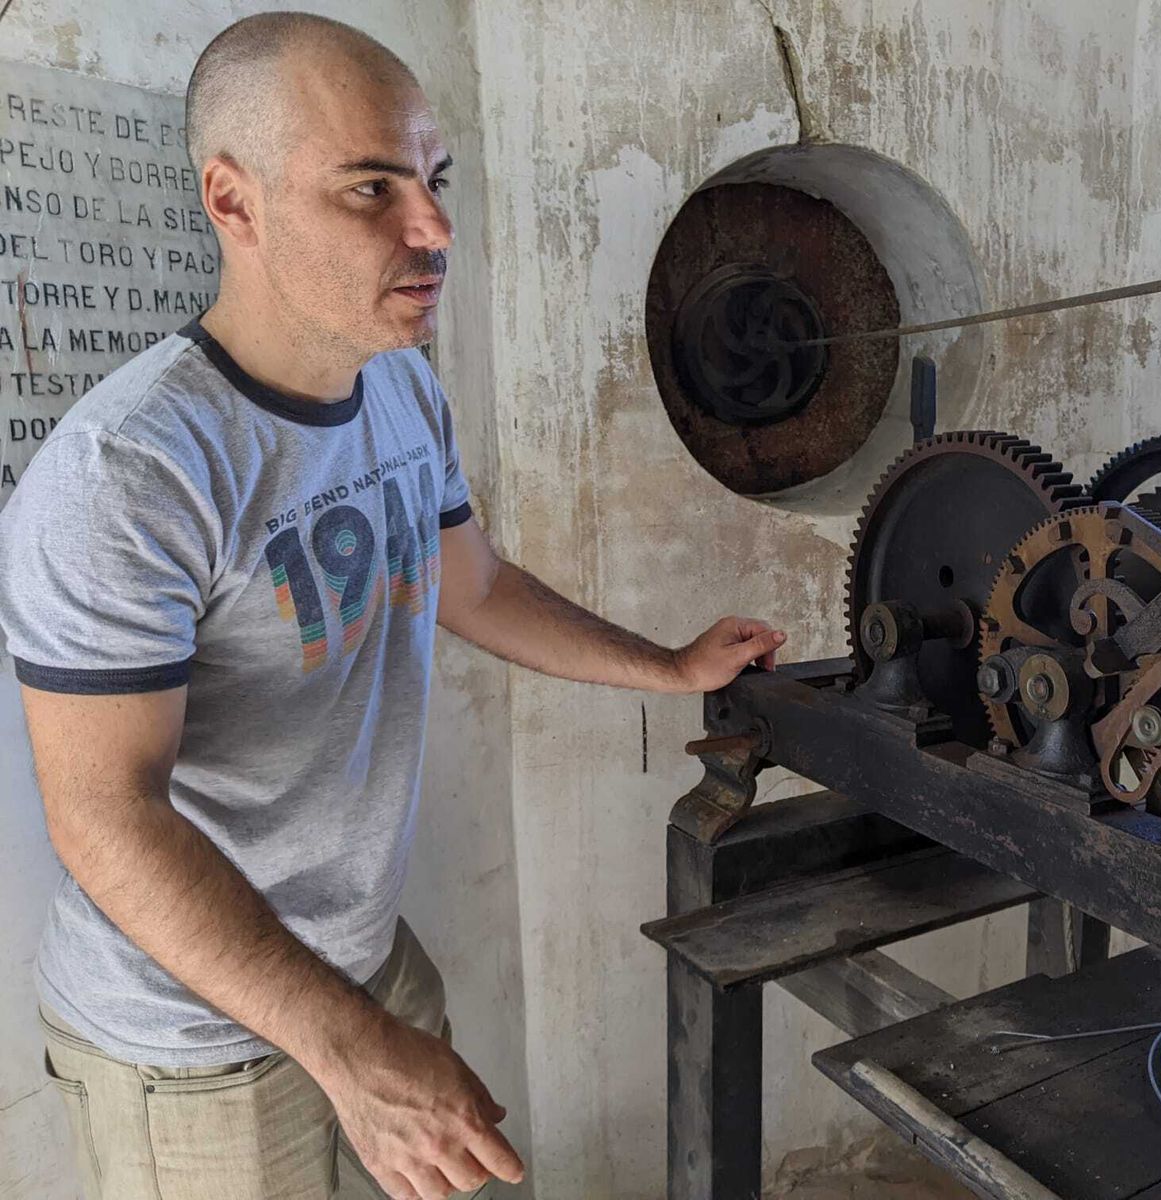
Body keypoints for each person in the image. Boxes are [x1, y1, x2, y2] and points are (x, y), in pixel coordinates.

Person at [0, 12, 785, 1200]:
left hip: (364, 961)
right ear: (234, 202)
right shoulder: (131, 472)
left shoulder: (399, 390)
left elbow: (473, 585)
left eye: (433, 179)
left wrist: (669, 667)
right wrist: (352, 1055)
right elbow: (107, 817)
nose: (433, 229)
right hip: (193, 1041)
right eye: (371, 188)